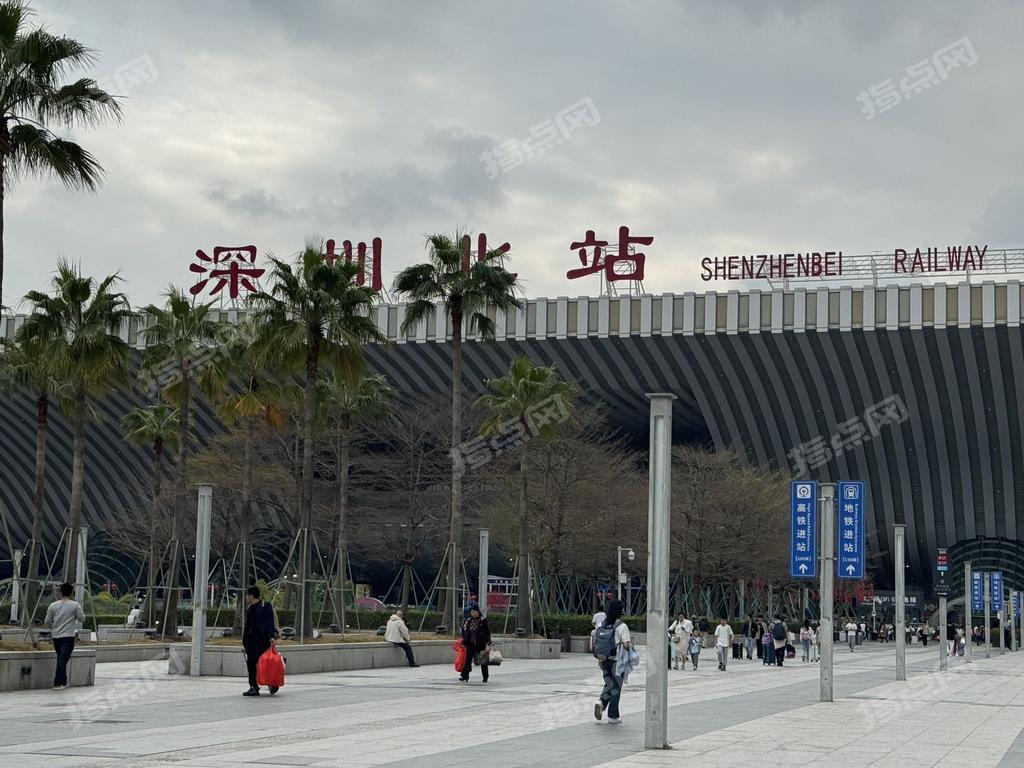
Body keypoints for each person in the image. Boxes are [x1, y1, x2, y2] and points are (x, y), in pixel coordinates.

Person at [593, 599, 630, 724]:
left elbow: (598, 641)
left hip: (603, 658)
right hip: (617, 661)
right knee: (616, 687)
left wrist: (600, 659)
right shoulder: (622, 626)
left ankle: (601, 702)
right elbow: (626, 644)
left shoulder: (601, 624)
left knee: (609, 683)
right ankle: (613, 716)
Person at [43, 582, 85, 690]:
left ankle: (63, 681)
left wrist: (53, 627)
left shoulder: (53, 605)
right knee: (62, 659)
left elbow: (47, 621)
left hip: (56, 637)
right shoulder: (75, 605)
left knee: (61, 658)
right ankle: (58, 683)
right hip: (68, 636)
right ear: (71, 593)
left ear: (61, 592)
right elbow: (82, 618)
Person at [242, 585, 278, 696]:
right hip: (251, 643)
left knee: (266, 664)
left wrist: (271, 637)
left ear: (252, 596)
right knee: (251, 665)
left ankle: (272, 683)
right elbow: (247, 627)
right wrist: (245, 642)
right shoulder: (250, 609)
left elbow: (270, 622)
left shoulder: (265, 606)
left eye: (247, 595)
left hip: (263, 641)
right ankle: (253, 687)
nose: (246, 597)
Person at [460, 604, 492, 683]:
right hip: (470, 643)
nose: (473, 613)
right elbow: (465, 631)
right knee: (467, 660)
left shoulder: (482, 621)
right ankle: (465, 675)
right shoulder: (468, 621)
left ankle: (485, 677)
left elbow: (487, 633)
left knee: (483, 661)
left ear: (478, 612)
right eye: (472, 612)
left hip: (480, 644)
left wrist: (488, 643)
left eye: (474, 612)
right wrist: (464, 640)